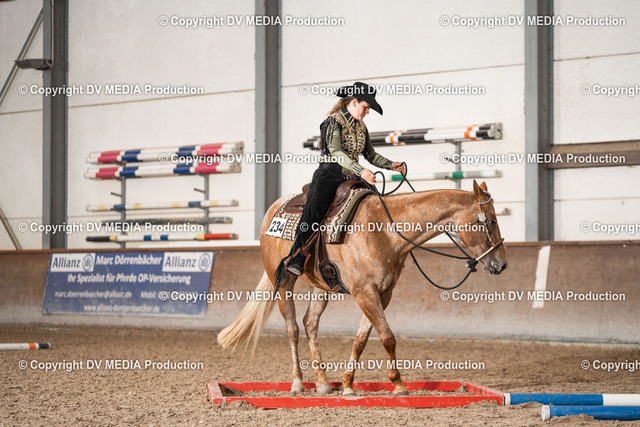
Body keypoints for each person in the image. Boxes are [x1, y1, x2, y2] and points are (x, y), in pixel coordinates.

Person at [274, 82, 405, 287]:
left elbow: (370, 154)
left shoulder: (361, 127)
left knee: (378, 206)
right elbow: (336, 152)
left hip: (353, 175)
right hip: (329, 173)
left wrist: (390, 164)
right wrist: (361, 170)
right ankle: (297, 255)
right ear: (354, 102)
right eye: (366, 107)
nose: (367, 112)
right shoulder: (332, 122)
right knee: (315, 209)